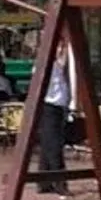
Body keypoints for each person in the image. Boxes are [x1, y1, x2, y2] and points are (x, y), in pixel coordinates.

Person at [34, 44, 75, 180]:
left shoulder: (57, 66)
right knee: (54, 145)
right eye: (59, 48)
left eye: (62, 48)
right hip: (49, 108)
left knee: (48, 146)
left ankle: (44, 182)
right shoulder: (45, 67)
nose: (61, 51)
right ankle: (60, 182)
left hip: (58, 108)